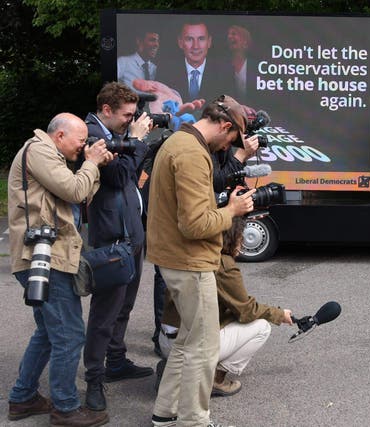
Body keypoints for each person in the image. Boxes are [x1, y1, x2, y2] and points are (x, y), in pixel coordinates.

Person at [147, 95, 256, 427]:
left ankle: (164, 414)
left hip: (175, 259)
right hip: (189, 262)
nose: (228, 147)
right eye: (231, 139)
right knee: (205, 348)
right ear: (225, 126)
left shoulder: (178, 141)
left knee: (186, 341)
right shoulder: (193, 153)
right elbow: (194, 225)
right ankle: (194, 420)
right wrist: (232, 211)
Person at [7, 113, 113, 426]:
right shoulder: (39, 151)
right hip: (43, 258)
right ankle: (65, 408)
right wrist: (92, 163)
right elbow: (75, 191)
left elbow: (79, 197)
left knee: (49, 333)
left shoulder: (51, 156)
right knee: (68, 334)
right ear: (60, 136)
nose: (84, 147)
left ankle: (23, 397)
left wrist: (95, 167)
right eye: (80, 141)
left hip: (49, 256)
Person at [156, 216, 293, 396]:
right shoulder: (222, 264)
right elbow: (246, 310)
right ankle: (215, 380)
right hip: (188, 347)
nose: (242, 242)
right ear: (231, 237)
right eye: (240, 236)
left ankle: (174, 372)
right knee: (262, 327)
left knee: (228, 318)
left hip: (166, 340)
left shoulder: (190, 253)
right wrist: (279, 314)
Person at [82, 82, 154, 412]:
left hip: (130, 235)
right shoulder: (91, 136)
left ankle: (116, 361)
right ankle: (94, 381)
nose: (131, 120)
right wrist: (137, 140)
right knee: (104, 314)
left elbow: (131, 171)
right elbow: (118, 176)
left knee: (123, 307)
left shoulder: (114, 133)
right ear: (107, 110)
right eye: (126, 115)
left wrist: (136, 145)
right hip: (111, 239)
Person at [156, 21, 234, 105]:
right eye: (189, 39)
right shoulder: (166, 71)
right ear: (180, 42)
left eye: (201, 39)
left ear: (209, 42)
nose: (195, 46)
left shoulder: (225, 73)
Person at [225, 25, 257, 104]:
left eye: (234, 34)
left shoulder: (256, 67)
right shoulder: (223, 67)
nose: (229, 36)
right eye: (228, 34)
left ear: (245, 42)